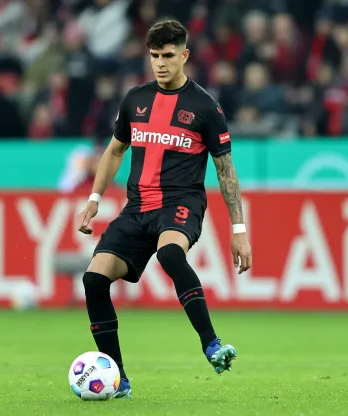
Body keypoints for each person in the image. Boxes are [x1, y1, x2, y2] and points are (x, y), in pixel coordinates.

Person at [76, 20, 252, 399]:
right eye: (154, 56)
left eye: (168, 56)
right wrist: (93, 200)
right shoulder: (135, 100)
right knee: (93, 280)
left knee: (171, 253)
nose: (160, 63)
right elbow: (114, 151)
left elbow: (226, 172)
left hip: (181, 204)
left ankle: (211, 343)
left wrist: (239, 231)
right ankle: (117, 378)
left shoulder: (205, 108)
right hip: (137, 208)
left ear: (184, 56)